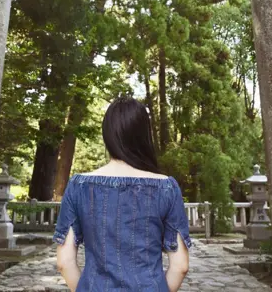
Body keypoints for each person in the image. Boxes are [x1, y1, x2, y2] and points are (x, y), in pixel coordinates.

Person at [54, 97, 191, 292]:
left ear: (107, 135)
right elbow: (180, 266)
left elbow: (64, 262)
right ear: (145, 135)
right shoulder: (167, 187)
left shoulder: (79, 186)